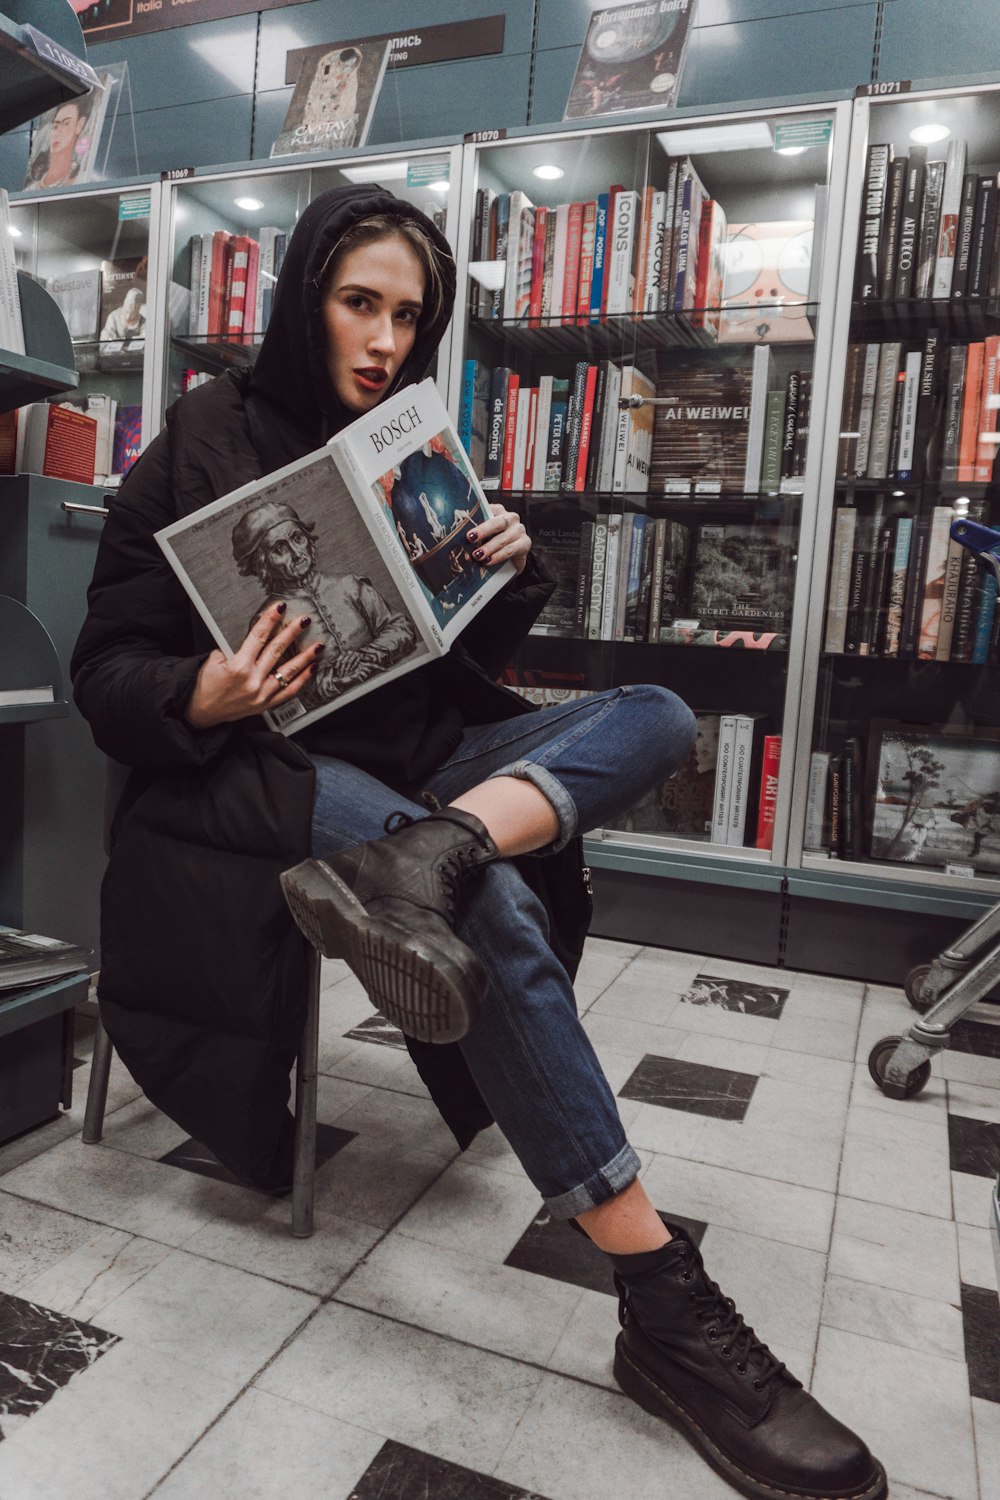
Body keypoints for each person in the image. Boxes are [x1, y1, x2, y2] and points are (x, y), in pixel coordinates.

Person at [71, 184, 885, 1500]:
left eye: (412, 314)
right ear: (304, 298)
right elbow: (104, 670)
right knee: (487, 905)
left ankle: (434, 849)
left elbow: (440, 670)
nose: (386, 337)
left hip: (415, 761)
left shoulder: (408, 443)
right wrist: (197, 692)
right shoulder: (199, 435)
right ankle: (660, 1297)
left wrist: (501, 573)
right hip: (269, 767)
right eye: (360, 303)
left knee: (660, 712)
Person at [232, 498, 416, 709]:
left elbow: (401, 628)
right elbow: (272, 694)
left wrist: (364, 656)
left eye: (297, 538)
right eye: (280, 549)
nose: (296, 553)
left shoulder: (349, 584)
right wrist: (329, 682)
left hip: (402, 698)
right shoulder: (266, 620)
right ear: (261, 565)